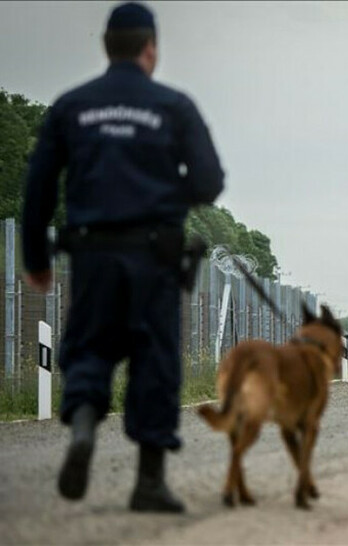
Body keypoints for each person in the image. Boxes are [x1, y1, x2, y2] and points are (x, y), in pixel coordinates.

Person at [22, 2, 224, 513]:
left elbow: (39, 187)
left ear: (106, 46)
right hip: (156, 257)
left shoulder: (72, 106)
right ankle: (149, 482)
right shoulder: (173, 106)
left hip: (91, 255)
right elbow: (209, 181)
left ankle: (85, 428)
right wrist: (165, 191)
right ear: (150, 47)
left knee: (89, 347)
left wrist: (35, 257)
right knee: (155, 358)